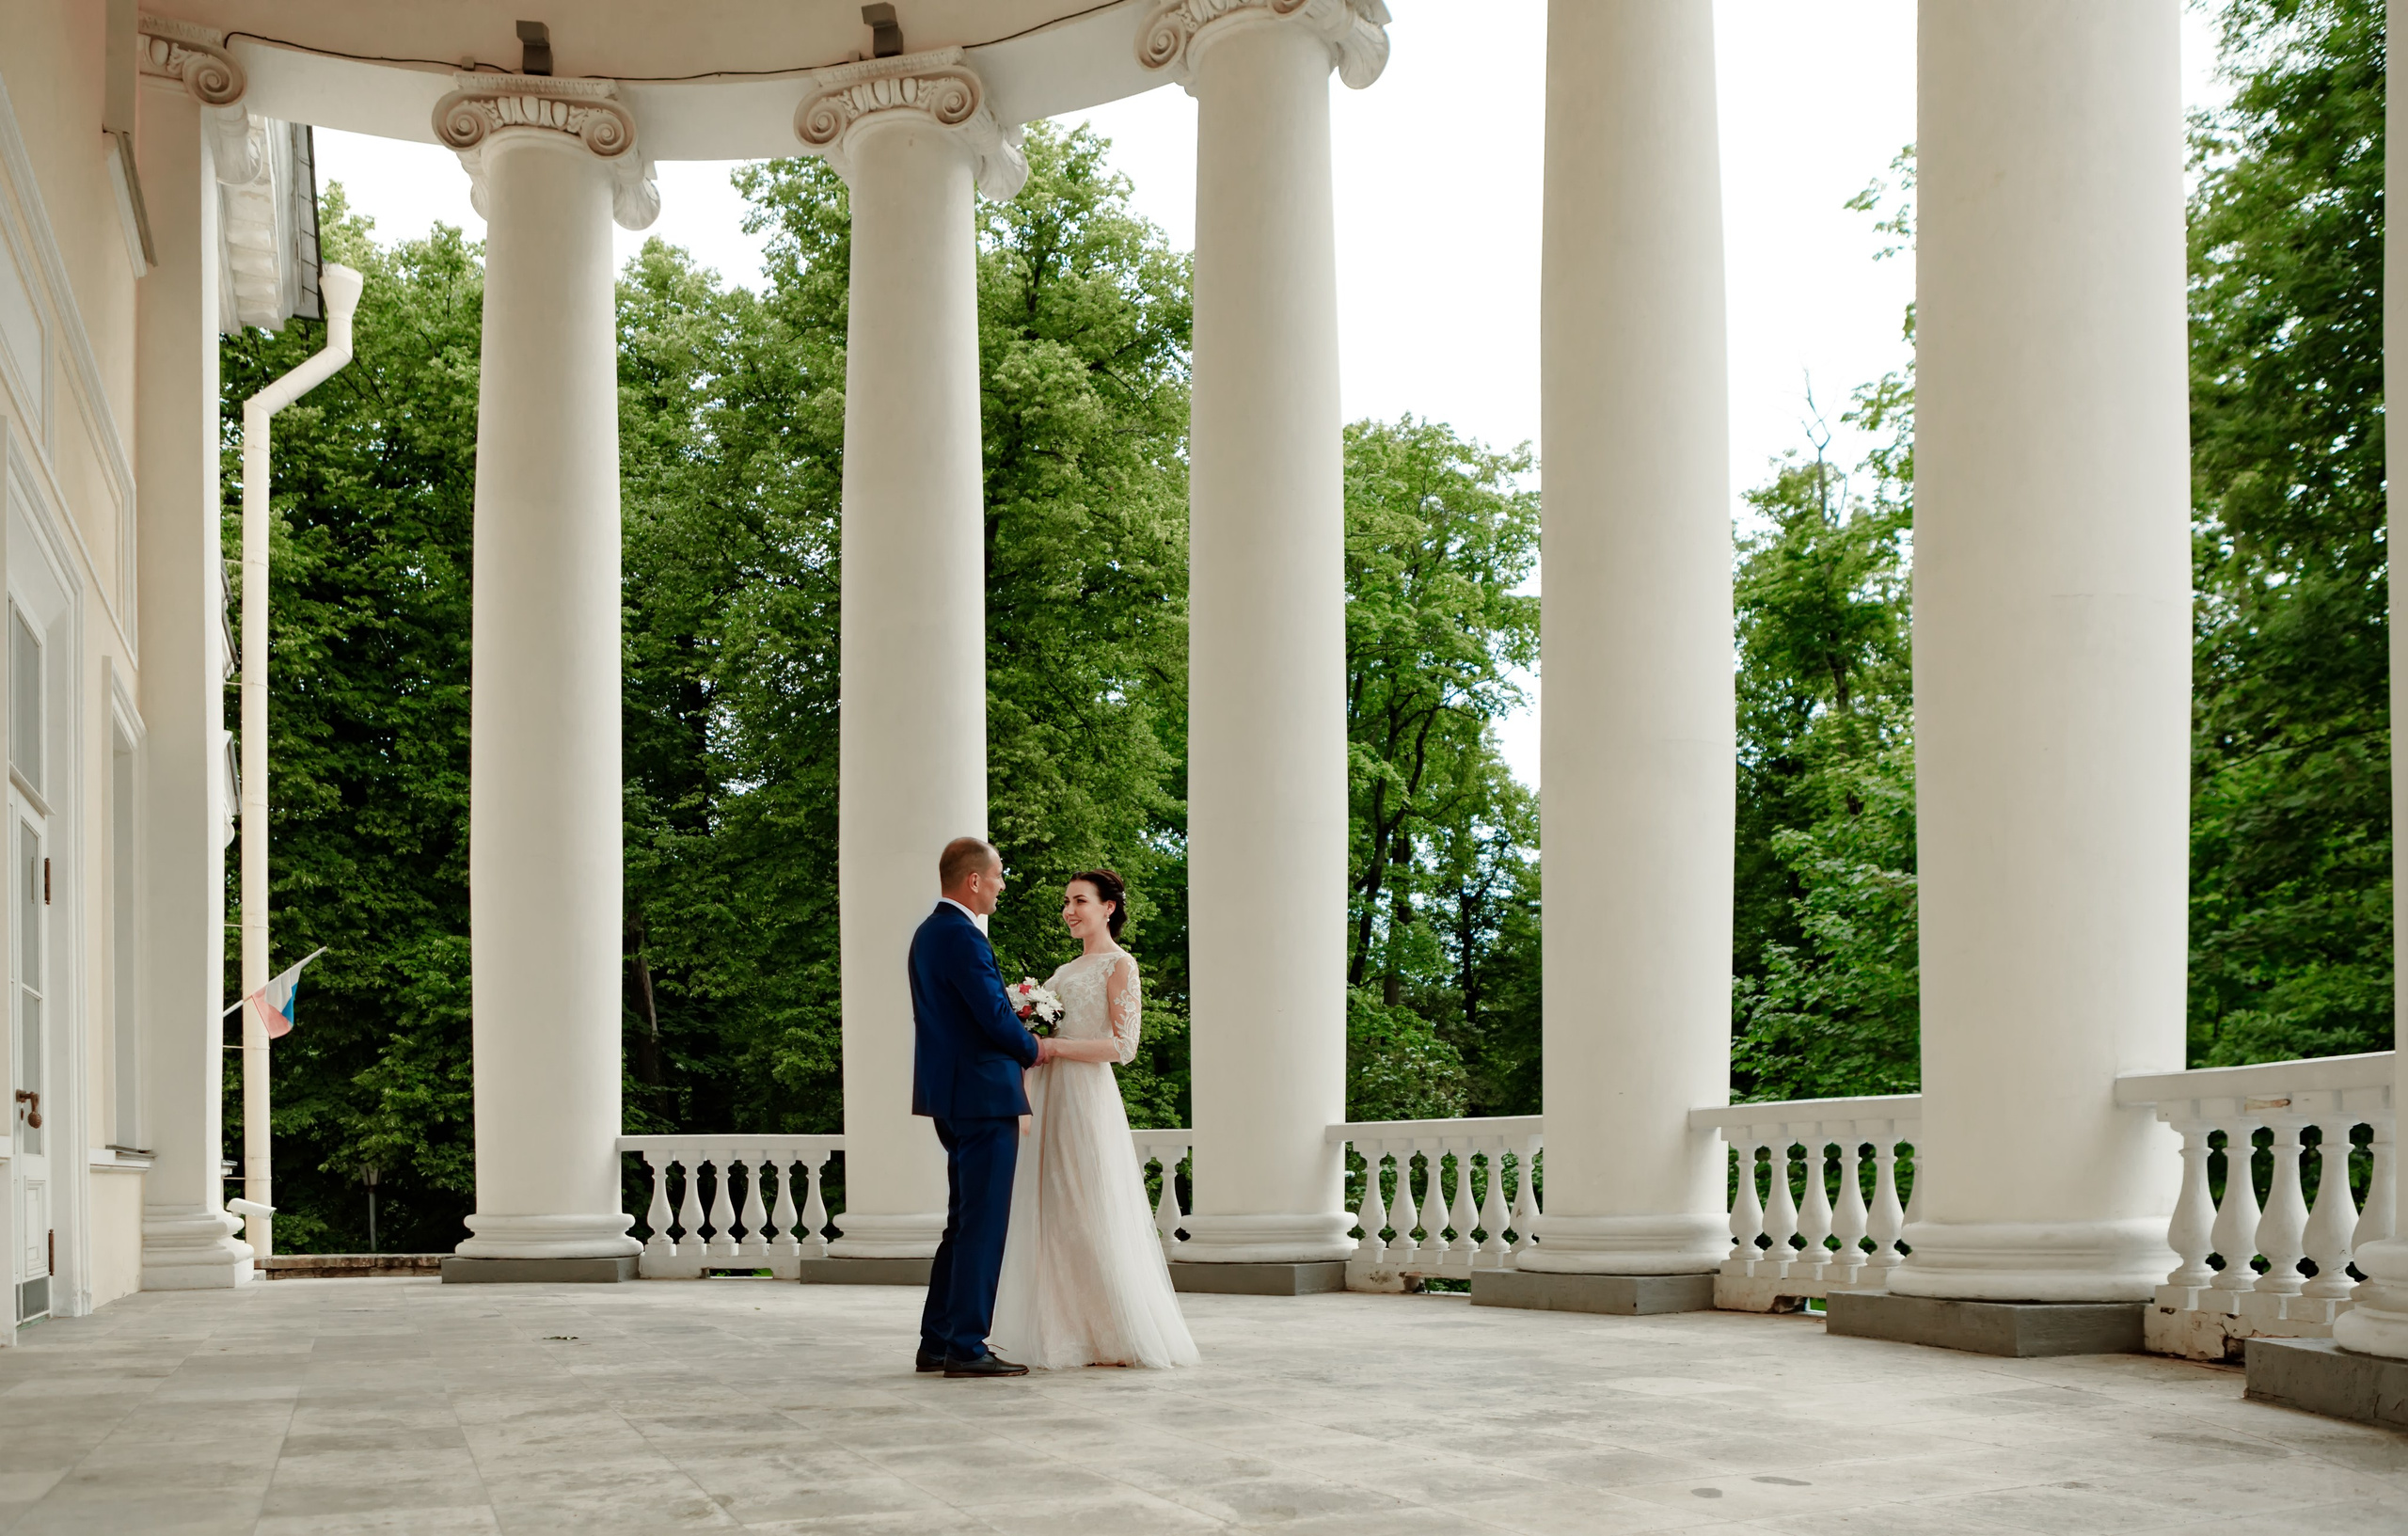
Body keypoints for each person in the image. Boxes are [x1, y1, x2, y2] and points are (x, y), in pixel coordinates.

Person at [990, 869, 1200, 1370]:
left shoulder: (1120, 965)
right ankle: (1060, 1330)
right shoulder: (1062, 972)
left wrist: (1054, 1047)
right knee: (1053, 1209)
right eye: (1066, 902)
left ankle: (1112, 1332)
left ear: (1108, 907)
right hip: (1049, 1093)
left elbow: (1124, 1047)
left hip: (1086, 1097)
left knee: (1089, 1206)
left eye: (1080, 901)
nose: (1069, 911)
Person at [911, 835, 1060, 1378]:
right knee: (983, 1225)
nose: (1001, 885)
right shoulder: (963, 936)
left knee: (962, 1222)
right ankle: (967, 1346)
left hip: (950, 1096)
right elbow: (992, 1015)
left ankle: (937, 1341)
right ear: (974, 880)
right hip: (982, 1096)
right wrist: (1034, 1047)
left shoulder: (928, 933)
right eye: (997, 876)